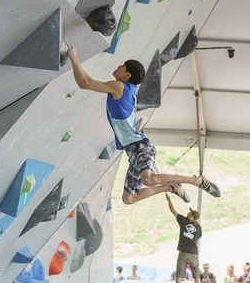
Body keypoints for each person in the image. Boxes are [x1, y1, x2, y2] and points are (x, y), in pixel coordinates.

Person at [67, 44, 221, 205]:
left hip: (139, 146)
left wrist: (74, 58)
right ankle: (172, 188)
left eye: (122, 66)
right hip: (132, 151)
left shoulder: (119, 86)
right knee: (129, 199)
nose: (118, 66)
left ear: (127, 74)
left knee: (148, 179)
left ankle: (196, 181)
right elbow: (88, 82)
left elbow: (85, 83)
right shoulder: (127, 88)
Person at [165, 193, 202, 283]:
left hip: (183, 253)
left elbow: (173, 210)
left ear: (192, 217)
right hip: (194, 254)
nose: (188, 213)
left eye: (190, 213)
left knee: (179, 275)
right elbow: (198, 241)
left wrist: (169, 200)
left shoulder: (183, 221)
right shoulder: (198, 227)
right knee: (196, 276)